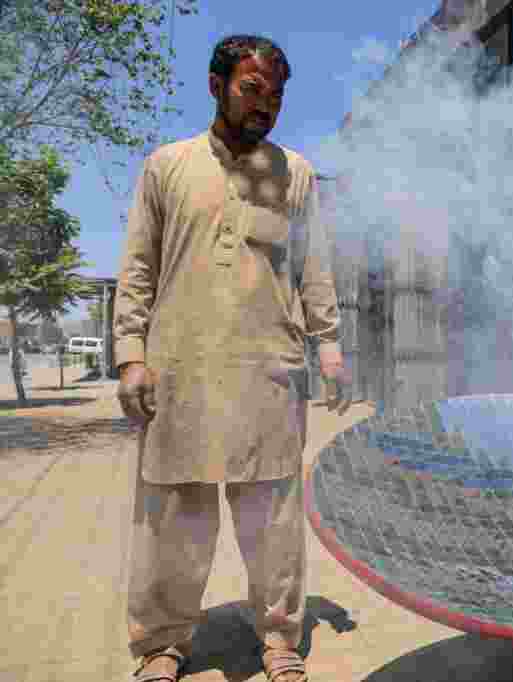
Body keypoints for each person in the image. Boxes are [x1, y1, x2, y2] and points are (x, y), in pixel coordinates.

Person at [114, 35, 351, 682]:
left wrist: (327, 343)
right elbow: (137, 267)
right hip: (180, 369)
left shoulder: (296, 174)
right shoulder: (168, 166)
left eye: (276, 95)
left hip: (268, 370)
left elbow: (314, 269)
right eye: (252, 89)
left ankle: (279, 641)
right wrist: (131, 354)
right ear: (217, 85)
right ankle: (163, 643)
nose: (265, 105)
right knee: (174, 521)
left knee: (272, 518)